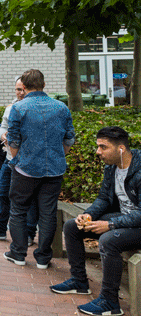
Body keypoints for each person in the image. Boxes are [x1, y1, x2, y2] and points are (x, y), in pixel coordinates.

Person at [50, 127, 140, 316]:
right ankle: (79, 281)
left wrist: (110, 225)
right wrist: (89, 215)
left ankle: (110, 302)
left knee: (109, 240)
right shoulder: (112, 166)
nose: (98, 152)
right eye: (98, 146)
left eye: (103, 147)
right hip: (126, 220)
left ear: (121, 149)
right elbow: (104, 199)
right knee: (72, 226)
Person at [4, 69, 75, 269]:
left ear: (24, 87)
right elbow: (69, 137)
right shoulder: (61, 107)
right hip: (54, 169)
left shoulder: (18, 108)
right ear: (44, 85)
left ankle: (18, 253)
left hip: (25, 168)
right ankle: (43, 258)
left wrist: (19, 158)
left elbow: (14, 139)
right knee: (48, 213)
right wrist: (59, 154)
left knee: (18, 210)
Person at [0, 77, 38, 245]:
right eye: (17, 89)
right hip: (9, 159)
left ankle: (28, 234)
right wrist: (3, 135)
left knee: (28, 199)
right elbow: (2, 128)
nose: (20, 93)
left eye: (23, 89)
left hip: (26, 161)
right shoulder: (10, 108)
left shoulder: (35, 108)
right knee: (1, 193)